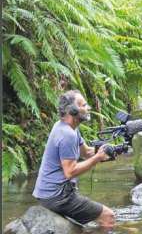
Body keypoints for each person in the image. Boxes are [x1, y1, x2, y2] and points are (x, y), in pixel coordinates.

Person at [32, 90, 115, 228]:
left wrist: (110, 150)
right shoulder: (67, 134)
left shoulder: (69, 128)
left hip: (47, 194)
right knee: (108, 216)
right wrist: (97, 158)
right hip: (58, 196)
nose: (88, 108)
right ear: (72, 110)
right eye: (83, 105)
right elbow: (70, 172)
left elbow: (87, 152)